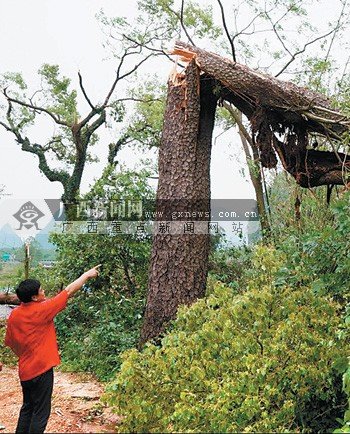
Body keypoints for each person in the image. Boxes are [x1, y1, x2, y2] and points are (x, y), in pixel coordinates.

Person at [4, 264, 101, 434]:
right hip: (42, 370)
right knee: (41, 413)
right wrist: (86, 275)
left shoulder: (14, 315)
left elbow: (12, 343)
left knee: (27, 408)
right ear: (34, 297)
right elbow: (69, 291)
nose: (44, 292)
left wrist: (26, 355)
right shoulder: (43, 309)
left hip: (25, 371)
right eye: (41, 290)